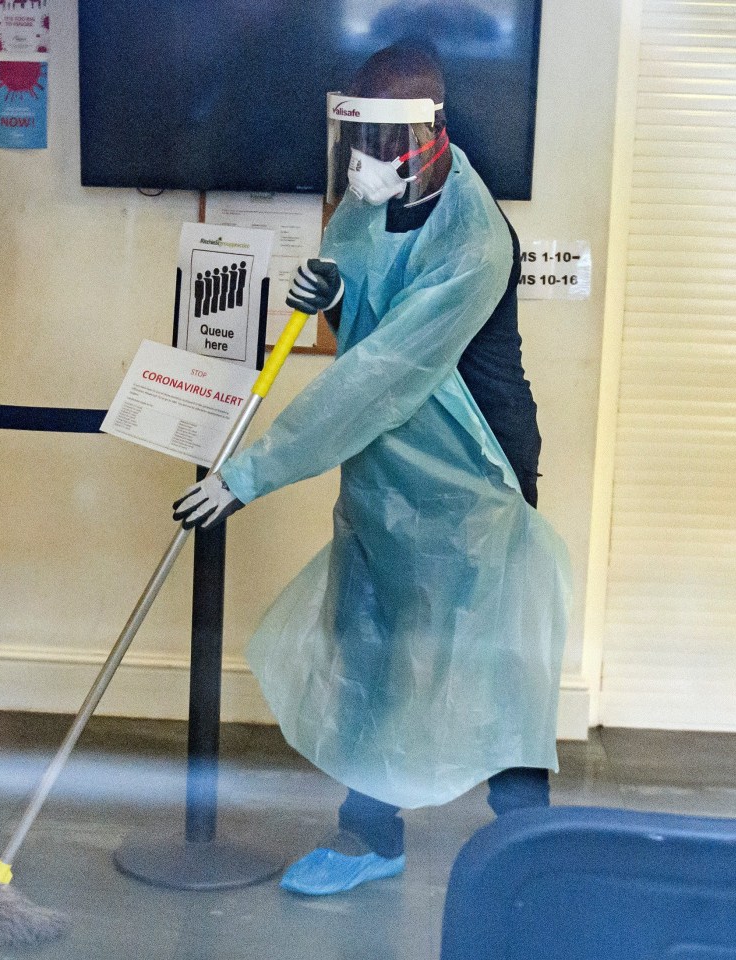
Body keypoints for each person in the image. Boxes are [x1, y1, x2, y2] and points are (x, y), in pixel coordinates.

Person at [173, 43, 570, 896]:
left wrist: (251, 472)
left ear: (429, 133)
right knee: (373, 639)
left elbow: (381, 372)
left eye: (383, 142)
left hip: (474, 464)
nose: (365, 163)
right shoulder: (368, 192)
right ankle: (368, 835)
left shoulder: (477, 235)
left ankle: (532, 834)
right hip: (388, 459)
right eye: (355, 140)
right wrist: (335, 293)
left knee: (489, 646)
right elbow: (361, 293)